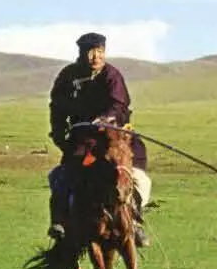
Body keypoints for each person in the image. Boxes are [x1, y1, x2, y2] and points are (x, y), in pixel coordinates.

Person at [47, 32, 151, 247]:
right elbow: (57, 108)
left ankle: (135, 221)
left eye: (101, 52)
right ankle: (60, 221)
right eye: (92, 52)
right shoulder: (68, 77)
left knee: (139, 178)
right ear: (81, 53)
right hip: (83, 141)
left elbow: (119, 105)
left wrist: (106, 119)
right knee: (62, 177)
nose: (96, 57)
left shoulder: (112, 75)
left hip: (114, 139)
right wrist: (59, 134)